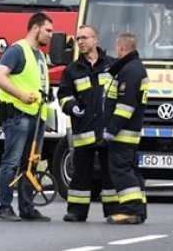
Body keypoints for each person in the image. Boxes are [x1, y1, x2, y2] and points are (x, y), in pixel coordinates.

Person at [0, 12, 53, 222]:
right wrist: (20, 95)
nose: (50, 35)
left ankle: (27, 207)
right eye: (48, 30)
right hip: (19, 115)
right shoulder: (18, 50)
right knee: (12, 162)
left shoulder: (41, 56)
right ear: (35, 28)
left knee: (30, 164)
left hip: (36, 117)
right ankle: (5, 207)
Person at [57, 25, 117, 222]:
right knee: (80, 173)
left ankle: (113, 211)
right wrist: (72, 106)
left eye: (84, 38)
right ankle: (76, 211)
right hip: (84, 130)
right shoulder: (72, 70)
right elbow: (64, 95)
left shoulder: (112, 66)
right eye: (78, 39)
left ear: (95, 40)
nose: (81, 42)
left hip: (107, 129)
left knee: (110, 173)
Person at [103, 33, 148, 224]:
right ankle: (139, 207)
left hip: (123, 133)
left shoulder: (130, 71)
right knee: (130, 169)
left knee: (120, 169)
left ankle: (131, 210)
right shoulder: (135, 68)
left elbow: (125, 106)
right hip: (130, 132)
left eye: (117, 48)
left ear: (121, 47)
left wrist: (111, 130)